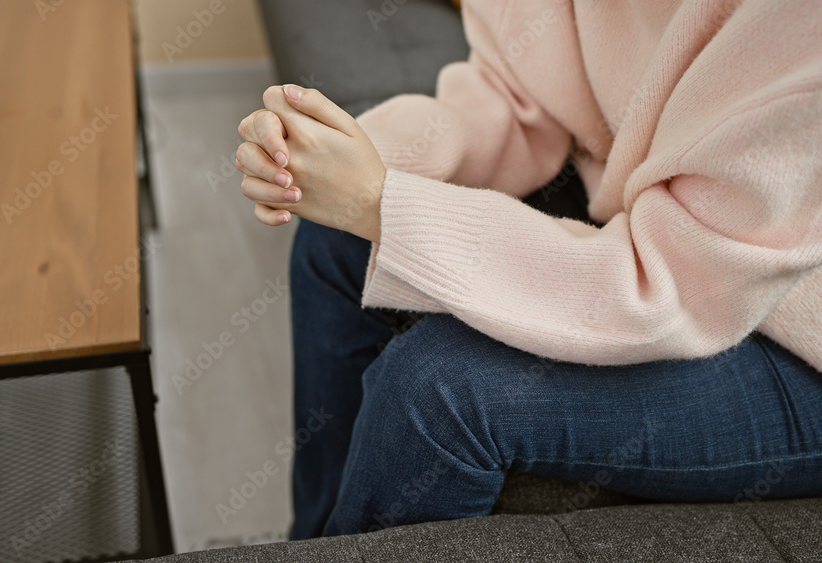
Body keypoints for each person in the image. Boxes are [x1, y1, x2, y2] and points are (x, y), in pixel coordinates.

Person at [235, 0, 822, 539]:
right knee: (333, 238)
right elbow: (516, 98)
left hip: (783, 324)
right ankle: (311, 544)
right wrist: (348, 157)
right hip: (663, 229)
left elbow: (670, 285)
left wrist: (381, 204)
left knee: (438, 391)